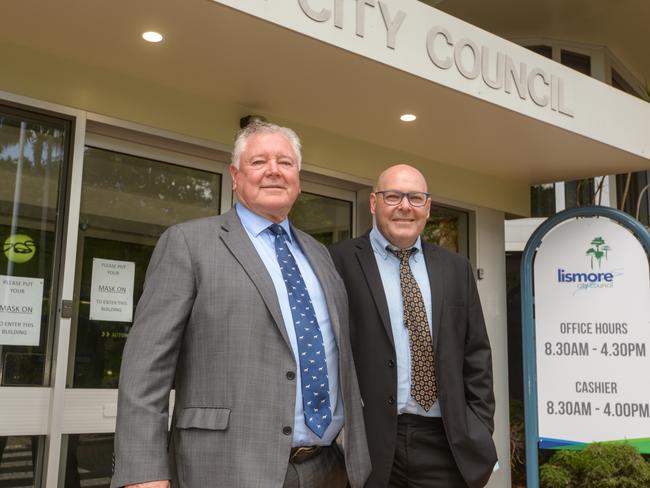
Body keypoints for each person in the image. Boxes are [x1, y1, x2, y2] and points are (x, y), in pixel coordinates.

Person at [111, 121, 370, 488]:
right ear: (234, 175)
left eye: (285, 162)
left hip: (327, 468)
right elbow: (145, 370)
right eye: (259, 161)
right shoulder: (189, 243)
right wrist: (145, 473)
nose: (274, 171)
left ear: (298, 177)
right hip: (225, 466)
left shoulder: (319, 254)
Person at [329, 164, 496, 488]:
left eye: (415, 198)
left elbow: (476, 355)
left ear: (428, 207)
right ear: (374, 203)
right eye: (393, 196)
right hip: (370, 444)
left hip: (446, 444)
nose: (405, 206)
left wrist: (478, 426)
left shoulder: (455, 268)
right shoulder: (339, 261)